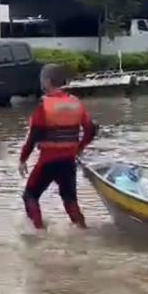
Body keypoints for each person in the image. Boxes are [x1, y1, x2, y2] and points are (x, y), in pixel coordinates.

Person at [19, 63, 95, 230]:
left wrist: (23, 159)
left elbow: (34, 135)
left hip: (48, 160)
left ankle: (39, 232)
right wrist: (80, 147)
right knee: (70, 200)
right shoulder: (76, 102)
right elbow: (91, 129)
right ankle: (83, 229)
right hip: (68, 160)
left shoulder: (43, 105)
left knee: (30, 196)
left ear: (47, 81)